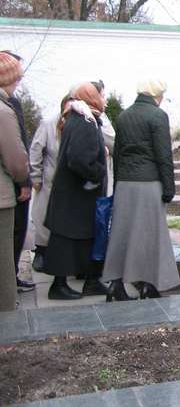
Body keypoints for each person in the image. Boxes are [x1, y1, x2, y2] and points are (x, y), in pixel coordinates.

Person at [103, 80, 179, 300]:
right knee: (150, 235)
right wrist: (168, 187)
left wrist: (117, 184)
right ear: (157, 95)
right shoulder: (158, 116)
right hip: (148, 182)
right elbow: (163, 155)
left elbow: (118, 153)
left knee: (121, 234)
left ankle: (115, 285)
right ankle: (148, 285)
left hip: (125, 182)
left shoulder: (124, 116)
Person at [43, 82, 109, 300]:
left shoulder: (78, 117)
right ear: (92, 97)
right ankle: (59, 285)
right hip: (77, 194)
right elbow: (78, 159)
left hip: (74, 194)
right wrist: (98, 172)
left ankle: (90, 281)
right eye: (102, 95)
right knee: (65, 240)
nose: (105, 98)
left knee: (82, 237)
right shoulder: (84, 121)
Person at [0, 51, 35, 294]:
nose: (19, 82)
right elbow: (14, 153)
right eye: (17, 77)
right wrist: (24, 179)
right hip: (4, 191)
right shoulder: (4, 109)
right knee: (5, 249)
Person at [29, 95, 72, 273]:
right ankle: (41, 251)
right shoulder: (48, 124)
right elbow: (36, 150)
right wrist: (36, 176)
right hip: (50, 179)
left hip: (70, 182)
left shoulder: (80, 124)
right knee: (43, 215)